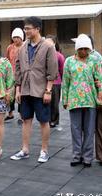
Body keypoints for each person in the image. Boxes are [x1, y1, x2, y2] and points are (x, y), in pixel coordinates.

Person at [10, 16, 58, 163]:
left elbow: (52, 70)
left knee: (44, 121)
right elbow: (17, 69)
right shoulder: (23, 47)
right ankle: (25, 149)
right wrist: (18, 90)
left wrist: (48, 90)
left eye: (28, 28)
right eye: (25, 28)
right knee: (26, 120)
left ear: (37, 29)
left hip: (41, 89)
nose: (26, 31)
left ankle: (44, 151)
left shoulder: (48, 46)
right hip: (25, 89)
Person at [61, 34, 102, 168]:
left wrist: (101, 97)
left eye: (86, 49)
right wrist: (65, 99)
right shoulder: (69, 61)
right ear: (76, 48)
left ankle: (87, 157)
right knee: (75, 129)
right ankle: (76, 155)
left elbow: (100, 81)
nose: (84, 52)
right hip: (74, 100)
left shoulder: (94, 61)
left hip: (90, 100)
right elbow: (66, 82)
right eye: (81, 49)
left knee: (89, 129)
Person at [45, 35, 65, 128]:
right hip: (45, 82)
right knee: (46, 102)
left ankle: (54, 120)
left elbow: (62, 70)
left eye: (50, 42)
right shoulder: (43, 54)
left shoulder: (59, 56)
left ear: (54, 43)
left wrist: (59, 79)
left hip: (56, 83)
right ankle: (47, 119)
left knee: (54, 103)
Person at [4, 28, 24, 121]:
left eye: (17, 37)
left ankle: (21, 115)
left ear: (21, 38)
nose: (15, 39)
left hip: (21, 75)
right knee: (10, 95)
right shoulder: (10, 47)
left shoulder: (24, 47)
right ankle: (10, 113)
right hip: (10, 75)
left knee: (21, 95)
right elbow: (6, 59)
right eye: (14, 37)